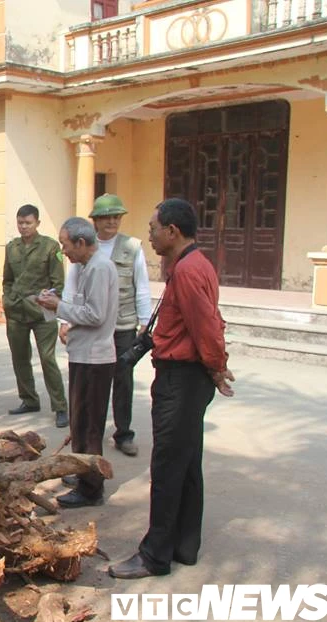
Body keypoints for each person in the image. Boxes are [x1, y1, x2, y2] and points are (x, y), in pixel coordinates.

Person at [108, 198, 235, 579]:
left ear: (172, 231)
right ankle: (185, 546)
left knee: (166, 467)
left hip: (182, 379)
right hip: (186, 377)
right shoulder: (190, 265)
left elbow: (207, 326)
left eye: (153, 229)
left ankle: (154, 555)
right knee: (186, 464)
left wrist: (217, 367)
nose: (149, 236)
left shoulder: (188, 270)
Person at [60, 194, 151, 456]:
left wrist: (144, 321)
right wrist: (65, 319)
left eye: (116, 217)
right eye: (106, 217)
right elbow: (72, 286)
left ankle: (123, 433)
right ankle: (87, 452)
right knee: (90, 396)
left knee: (122, 380)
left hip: (121, 323)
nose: (112, 222)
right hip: (91, 329)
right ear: (95, 222)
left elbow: (141, 286)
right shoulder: (83, 250)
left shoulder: (130, 247)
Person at [37, 217, 118, 509]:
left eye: (66, 245)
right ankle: (82, 471)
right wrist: (64, 312)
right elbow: (86, 310)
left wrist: (60, 307)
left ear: (82, 243)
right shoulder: (87, 267)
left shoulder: (98, 267)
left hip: (95, 358)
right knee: (80, 423)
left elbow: (95, 315)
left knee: (89, 426)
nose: (64, 252)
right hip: (84, 354)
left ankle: (91, 488)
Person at [2, 204, 69, 428]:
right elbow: (7, 279)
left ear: (37, 223)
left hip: (42, 313)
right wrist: (8, 298)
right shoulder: (11, 248)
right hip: (16, 312)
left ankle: (60, 407)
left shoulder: (51, 247)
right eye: (20, 222)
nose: (23, 227)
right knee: (20, 359)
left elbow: (58, 283)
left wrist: (44, 300)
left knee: (47, 359)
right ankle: (29, 399)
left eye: (28, 223)